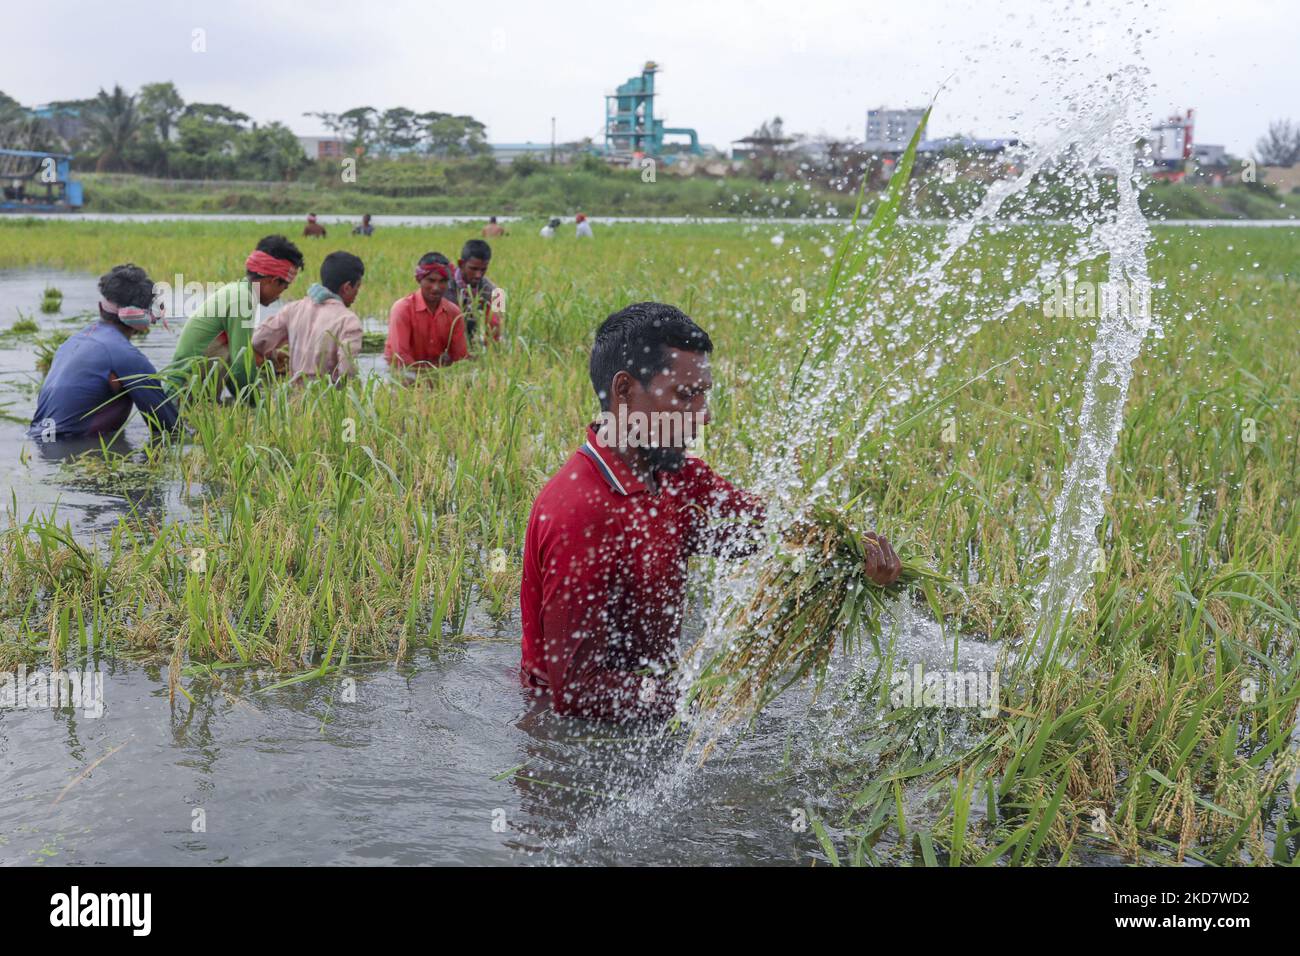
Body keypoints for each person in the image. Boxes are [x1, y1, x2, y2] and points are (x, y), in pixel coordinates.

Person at [519, 302, 902, 722]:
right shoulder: (578, 513)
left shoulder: (674, 475)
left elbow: (766, 530)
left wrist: (848, 551)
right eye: (686, 395)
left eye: (704, 394)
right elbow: (577, 691)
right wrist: (697, 696)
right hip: (570, 736)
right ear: (625, 391)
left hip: (654, 696)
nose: (703, 415)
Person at [29, 264, 180, 441]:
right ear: (141, 318)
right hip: (70, 448)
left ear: (101, 307)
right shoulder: (128, 357)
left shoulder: (70, 343)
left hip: (37, 443)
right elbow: (169, 429)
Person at [167, 234, 304, 400]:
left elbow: (235, 362)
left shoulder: (238, 292)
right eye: (284, 288)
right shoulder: (242, 299)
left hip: (180, 394)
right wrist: (259, 408)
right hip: (180, 397)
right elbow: (240, 367)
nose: (280, 295)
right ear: (273, 281)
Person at [252, 251, 364, 385]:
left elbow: (257, 341)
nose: (357, 293)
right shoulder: (349, 321)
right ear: (346, 287)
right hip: (327, 399)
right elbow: (347, 372)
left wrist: (275, 359)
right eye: (357, 287)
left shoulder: (292, 309)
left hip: (293, 398)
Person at [384, 252, 468, 376]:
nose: (436, 287)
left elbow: (460, 358)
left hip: (431, 371)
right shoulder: (402, 309)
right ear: (419, 279)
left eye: (442, 281)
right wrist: (425, 380)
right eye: (431, 280)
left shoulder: (454, 313)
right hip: (401, 372)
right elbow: (401, 357)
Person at [446, 238, 501, 347]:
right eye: (473, 269)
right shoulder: (443, 285)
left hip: (470, 342)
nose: (478, 275)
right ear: (461, 264)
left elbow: (498, 326)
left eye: (483, 270)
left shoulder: (492, 290)